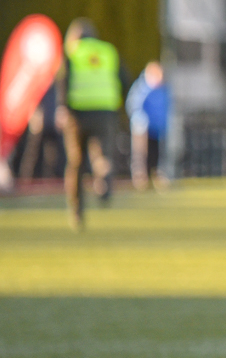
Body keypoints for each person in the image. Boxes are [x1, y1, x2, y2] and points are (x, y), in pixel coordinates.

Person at [56, 18, 126, 230]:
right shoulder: (108, 52)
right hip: (105, 111)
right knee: (102, 155)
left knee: (76, 162)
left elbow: (63, 80)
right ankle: (103, 178)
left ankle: (77, 211)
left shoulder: (72, 52)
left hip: (77, 114)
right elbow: (125, 79)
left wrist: (62, 107)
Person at [126, 61, 171, 191]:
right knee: (140, 154)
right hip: (142, 128)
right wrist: (141, 121)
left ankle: (155, 176)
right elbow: (133, 105)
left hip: (157, 129)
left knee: (156, 153)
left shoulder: (162, 89)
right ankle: (140, 178)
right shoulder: (142, 88)